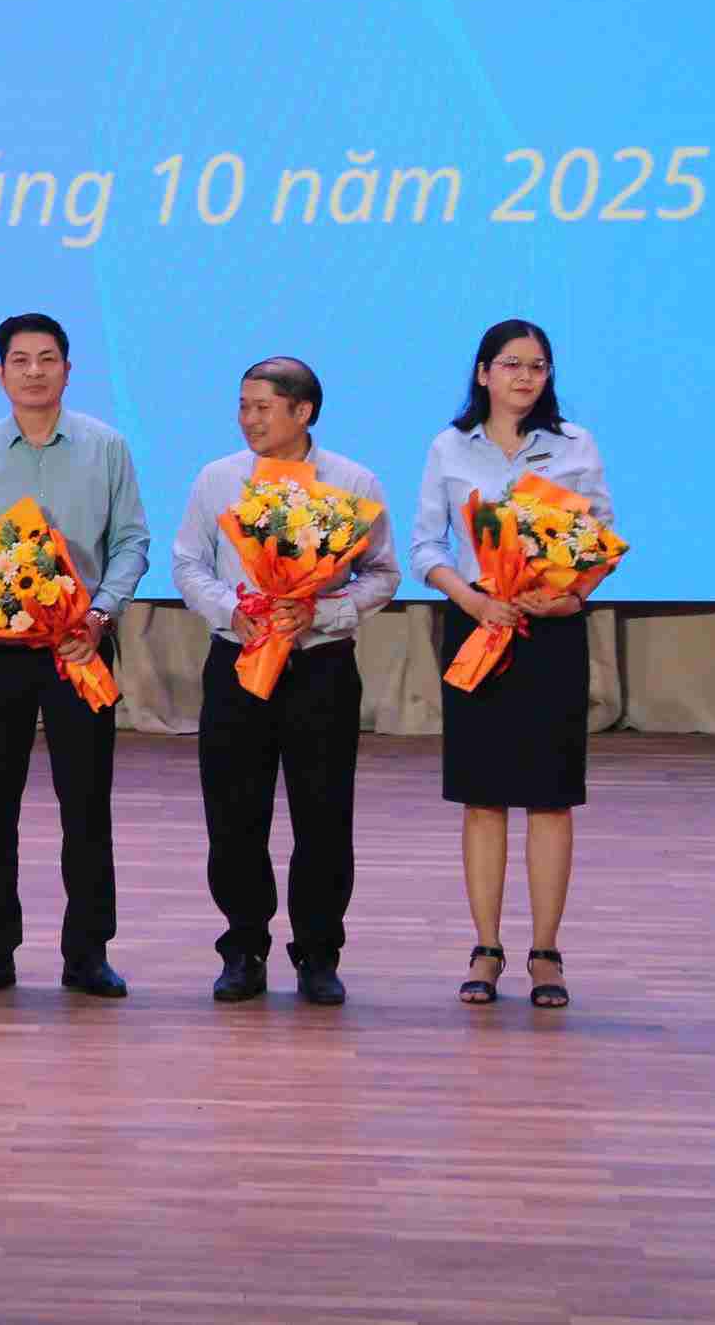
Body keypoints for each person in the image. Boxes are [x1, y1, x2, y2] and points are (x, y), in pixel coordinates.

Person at [170, 357, 399, 1006]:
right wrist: (233, 611)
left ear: (304, 412)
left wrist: (320, 610)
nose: (248, 419)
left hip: (319, 668)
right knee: (234, 814)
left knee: (323, 817)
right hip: (237, 663)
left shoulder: (353, 483)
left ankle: (319, 952)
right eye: (243, 405)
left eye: (262, 406)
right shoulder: (218, 480)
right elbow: (188, 565)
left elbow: (383, 575)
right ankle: (243, 947)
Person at [0, 313, 149, 1000]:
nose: (34, 370)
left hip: (80, 645)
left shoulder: (106, 446)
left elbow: (132, 541)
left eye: (47, 358)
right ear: (0, 374)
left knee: (86, 805)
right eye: (20, 360)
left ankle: (88, 951)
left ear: (67, 368)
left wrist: (101, 611)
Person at [412, 319, 612, 1012]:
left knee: (552, 796)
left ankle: (547, 951)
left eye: (537, 366)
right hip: (476, 630)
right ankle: (487, 947)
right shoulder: (449, 445)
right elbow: (425, 546)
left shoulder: (574, 444)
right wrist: (469, 597)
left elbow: (598, 537)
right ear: (482, 373)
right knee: (483, 795)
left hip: (550, 633)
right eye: (511, 364)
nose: (525, 377)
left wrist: (565, 597)